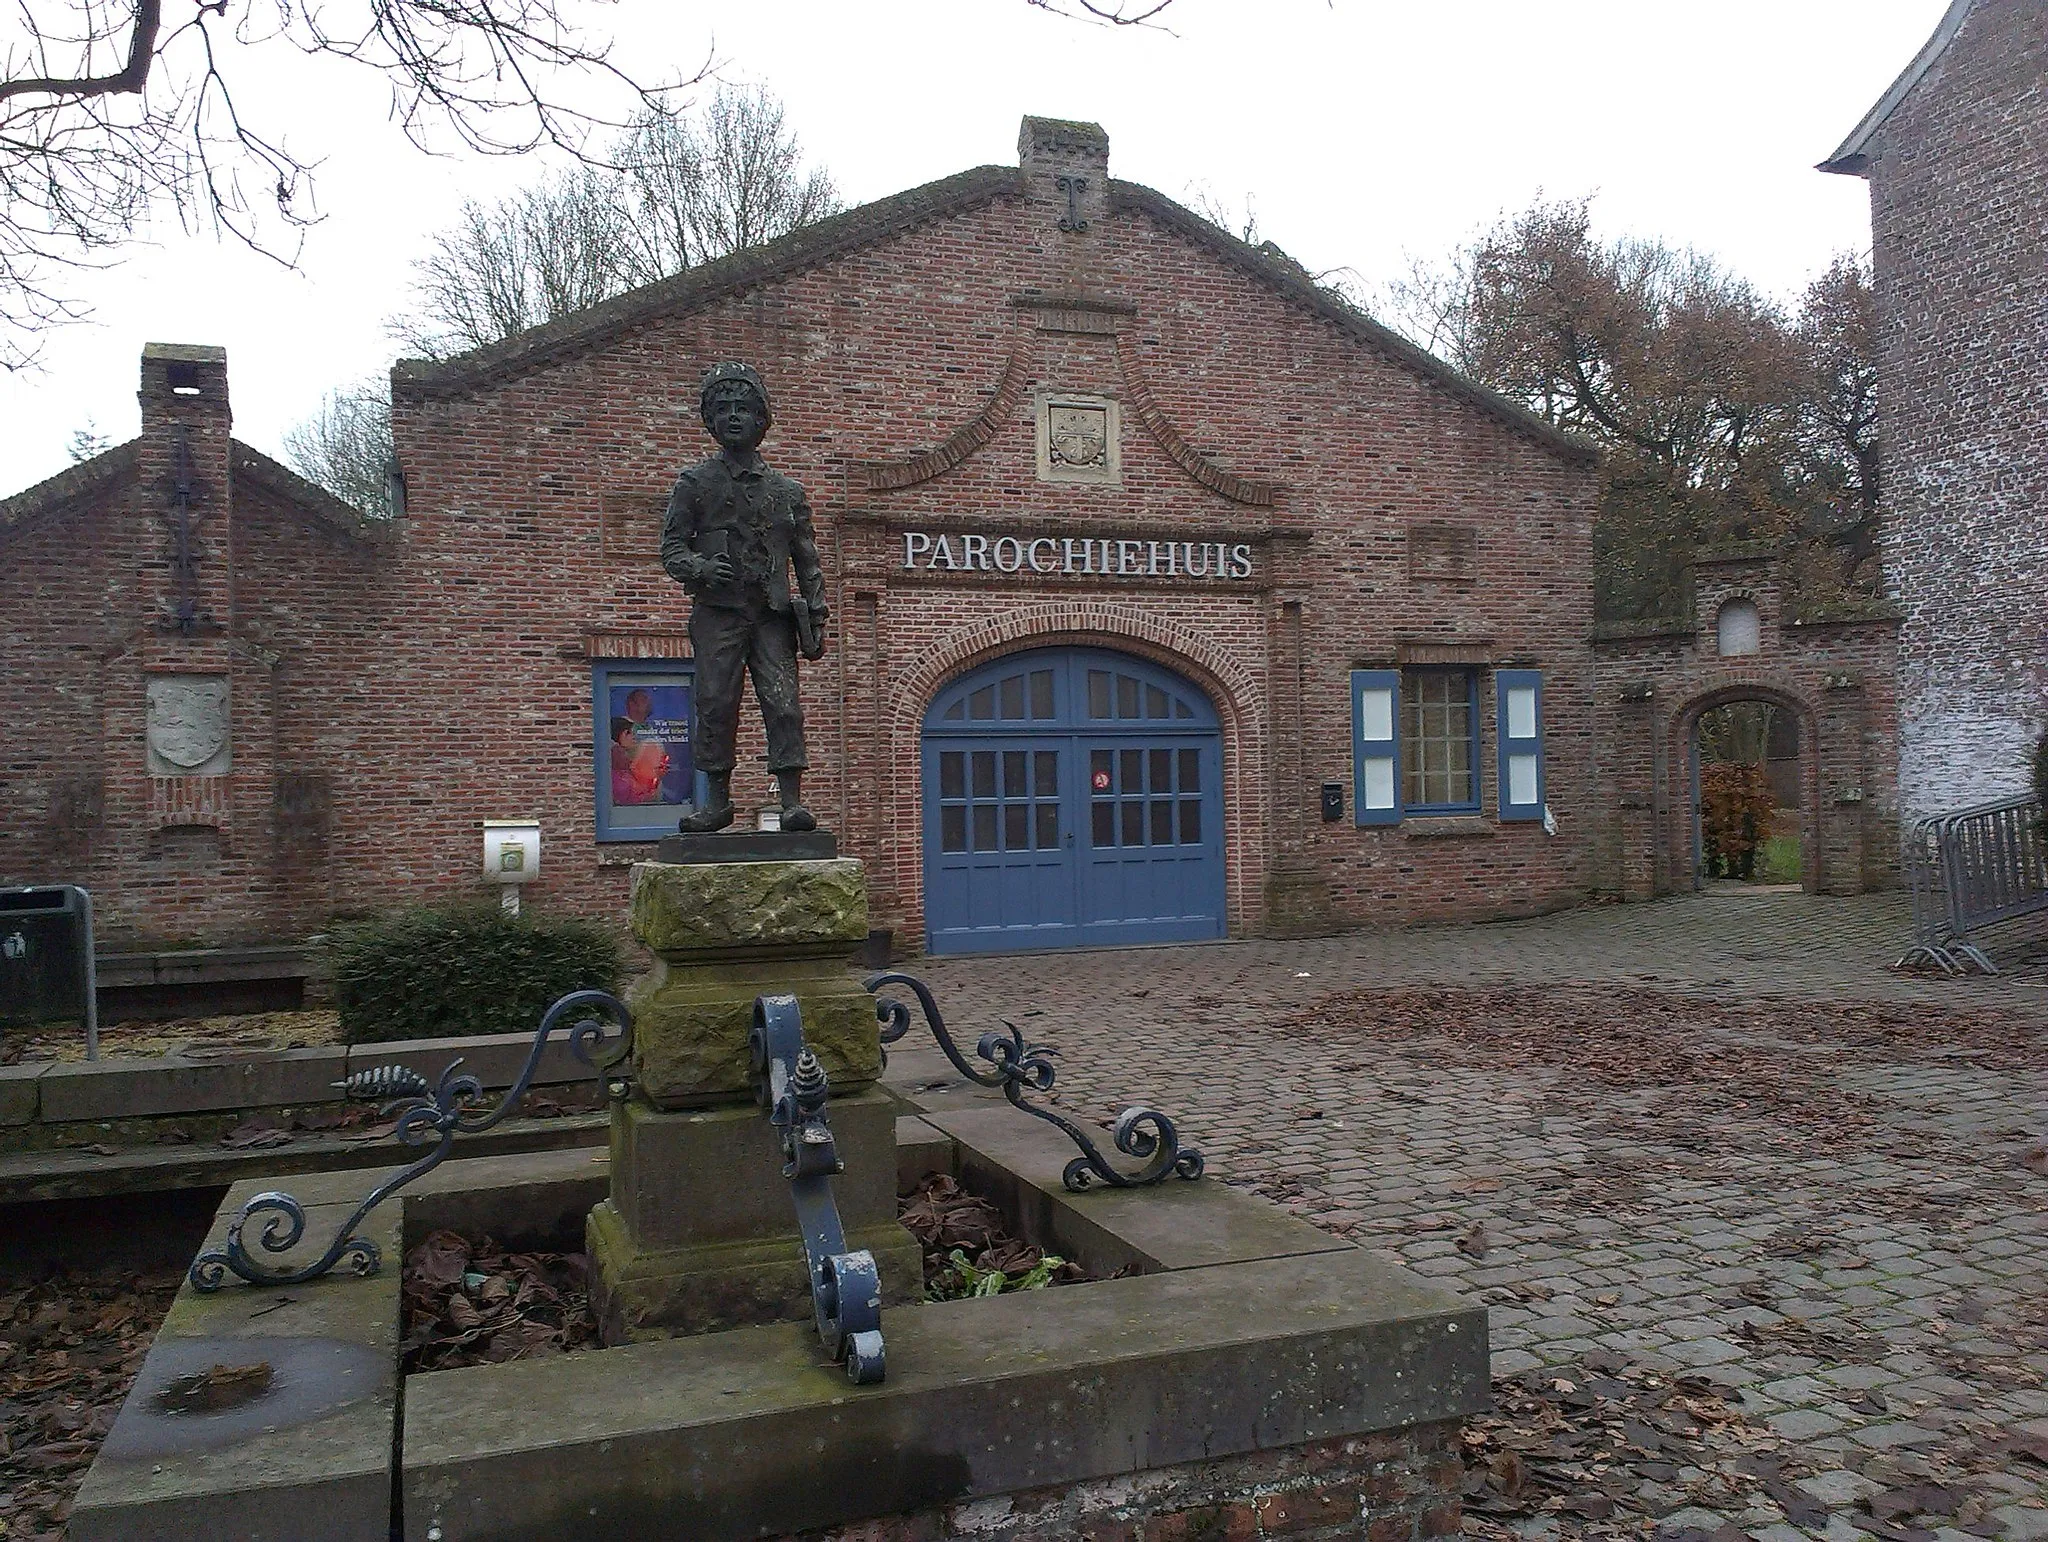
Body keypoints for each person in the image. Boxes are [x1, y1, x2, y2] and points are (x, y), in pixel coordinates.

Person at [659, 362, 828, 833]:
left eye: (744, 409)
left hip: (772, 615)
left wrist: (816, 613)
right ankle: (717, 802)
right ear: (710, 421)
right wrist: (701, 567)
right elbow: (672, 546)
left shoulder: (787, 492)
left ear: (761, 419)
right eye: (723, 410)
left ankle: (791, 800)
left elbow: (806, 558)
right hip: (719, 613)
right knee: (715, 701)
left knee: (784, 703)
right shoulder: (695, 484)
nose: (734, 417)